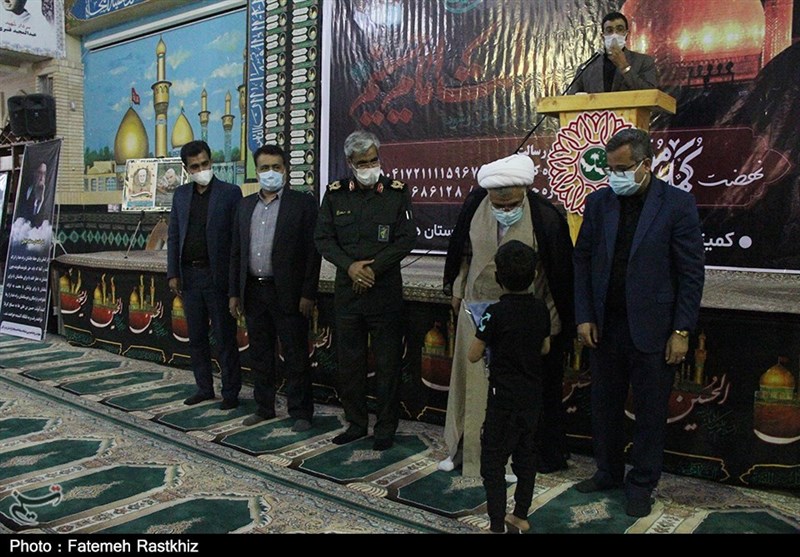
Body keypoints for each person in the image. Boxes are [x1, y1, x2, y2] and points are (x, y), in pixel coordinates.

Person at [572, 128, 705, 517]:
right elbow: (582, 260)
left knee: (649, 412)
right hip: (605, 326)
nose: (614, 176)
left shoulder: (677, 204)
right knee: (604, 406)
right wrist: (584, 315)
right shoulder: (599, 203)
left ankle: (642, 483)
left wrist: (681, 330)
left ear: (646, 164)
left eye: (622, 168)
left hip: (654, 328)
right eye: (610, 169)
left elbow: (691, 272)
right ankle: (608, 472)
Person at [440, 153, 574, 477]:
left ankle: (515, 457)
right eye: (498, 205)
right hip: (476, 310)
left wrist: (549, 326)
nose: (505, 210)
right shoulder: (475, 207)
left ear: (525, 191)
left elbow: (555, 277)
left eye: (512, 204)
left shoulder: (546, 218)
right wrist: (457, 292)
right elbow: (464, 255)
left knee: (513, 394)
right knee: (470, 387)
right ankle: (462, 450)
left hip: (523, 318)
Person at [314, 129, 416, 451]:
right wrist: (351, 267)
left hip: (384, 292)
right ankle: (356, 423)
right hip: (348, 292)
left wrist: (372, 269)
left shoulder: (397, 192)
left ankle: (385, 427)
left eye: (374, 160)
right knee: (350, 364)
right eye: (363, 163)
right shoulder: (335, 194)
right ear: (350, 163)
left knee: (387, 365)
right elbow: (323, 239)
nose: (370, 167)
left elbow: (406, 238)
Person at [230, 145, 321, 431]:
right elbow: (236, 251)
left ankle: (301, 412)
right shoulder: (245, 205)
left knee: (295, 354)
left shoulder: (303, 204)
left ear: (286, 170)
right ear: (257, 172)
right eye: (265, 168)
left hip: (289, 293)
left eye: (276, 167)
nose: (271, 173)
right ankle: (264, 407)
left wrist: (308, 293)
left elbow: (313, 253)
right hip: (253, 291)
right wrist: (234, 293)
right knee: (260, 353)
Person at [467, 240, 551, 534]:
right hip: (532, 397)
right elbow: (545, 347)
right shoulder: (541, 309)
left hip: (502, 399)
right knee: (526, 457)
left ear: (497, 277)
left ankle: (495, 524)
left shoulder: (493, 312)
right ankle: (521, 516)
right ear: (534, 274)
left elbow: (473, 354)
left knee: (493, 462)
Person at [167, 140, 242, 410]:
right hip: (189, 276)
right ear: (186, 169)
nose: (201, 170)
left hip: (217, 276)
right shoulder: (180, 195)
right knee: (197, 337)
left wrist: (234, 283)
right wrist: (173, 272)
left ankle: (230, 392)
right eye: (195, 167)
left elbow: (237, 241)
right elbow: (174, 235)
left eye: (205, 164)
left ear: (212, 162)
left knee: (224, 338)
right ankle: (204, 388)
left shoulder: (230, 193)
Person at [568, 11, 658, 94]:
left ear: (627, 34)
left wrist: (625, 68)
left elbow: (651, 94)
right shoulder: (587, 68)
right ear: (602, 36)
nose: (614, 34)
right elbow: (571, 97)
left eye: (620, 29)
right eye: (609, 30)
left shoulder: (643, 61)